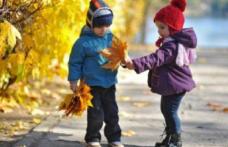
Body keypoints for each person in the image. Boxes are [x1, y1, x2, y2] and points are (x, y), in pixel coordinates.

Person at [125, 0, 197, 146]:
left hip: (177, 86)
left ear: (173, 28)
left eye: (162, 27)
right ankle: (170, 138)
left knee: (170, 111)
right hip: (173, 85)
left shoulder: (171, 46)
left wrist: (136, 64)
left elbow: (156, 58)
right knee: (166, 110)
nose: (159, 31)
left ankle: (176, 141)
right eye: (158, 27)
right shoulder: (171, 41)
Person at [68, 0, 124, 147]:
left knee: (112, 113)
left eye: (107, 25)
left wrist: (125, 60)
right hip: (91, 85)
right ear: (90, 23)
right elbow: (75, 62)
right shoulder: (83, 43)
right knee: (96, 114)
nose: (104, 29)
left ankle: (114, 138)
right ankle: (93, 138)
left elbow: (121, 53)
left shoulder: (112, 39)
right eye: (99, 26)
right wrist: (73, 80)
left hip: (109, 84)